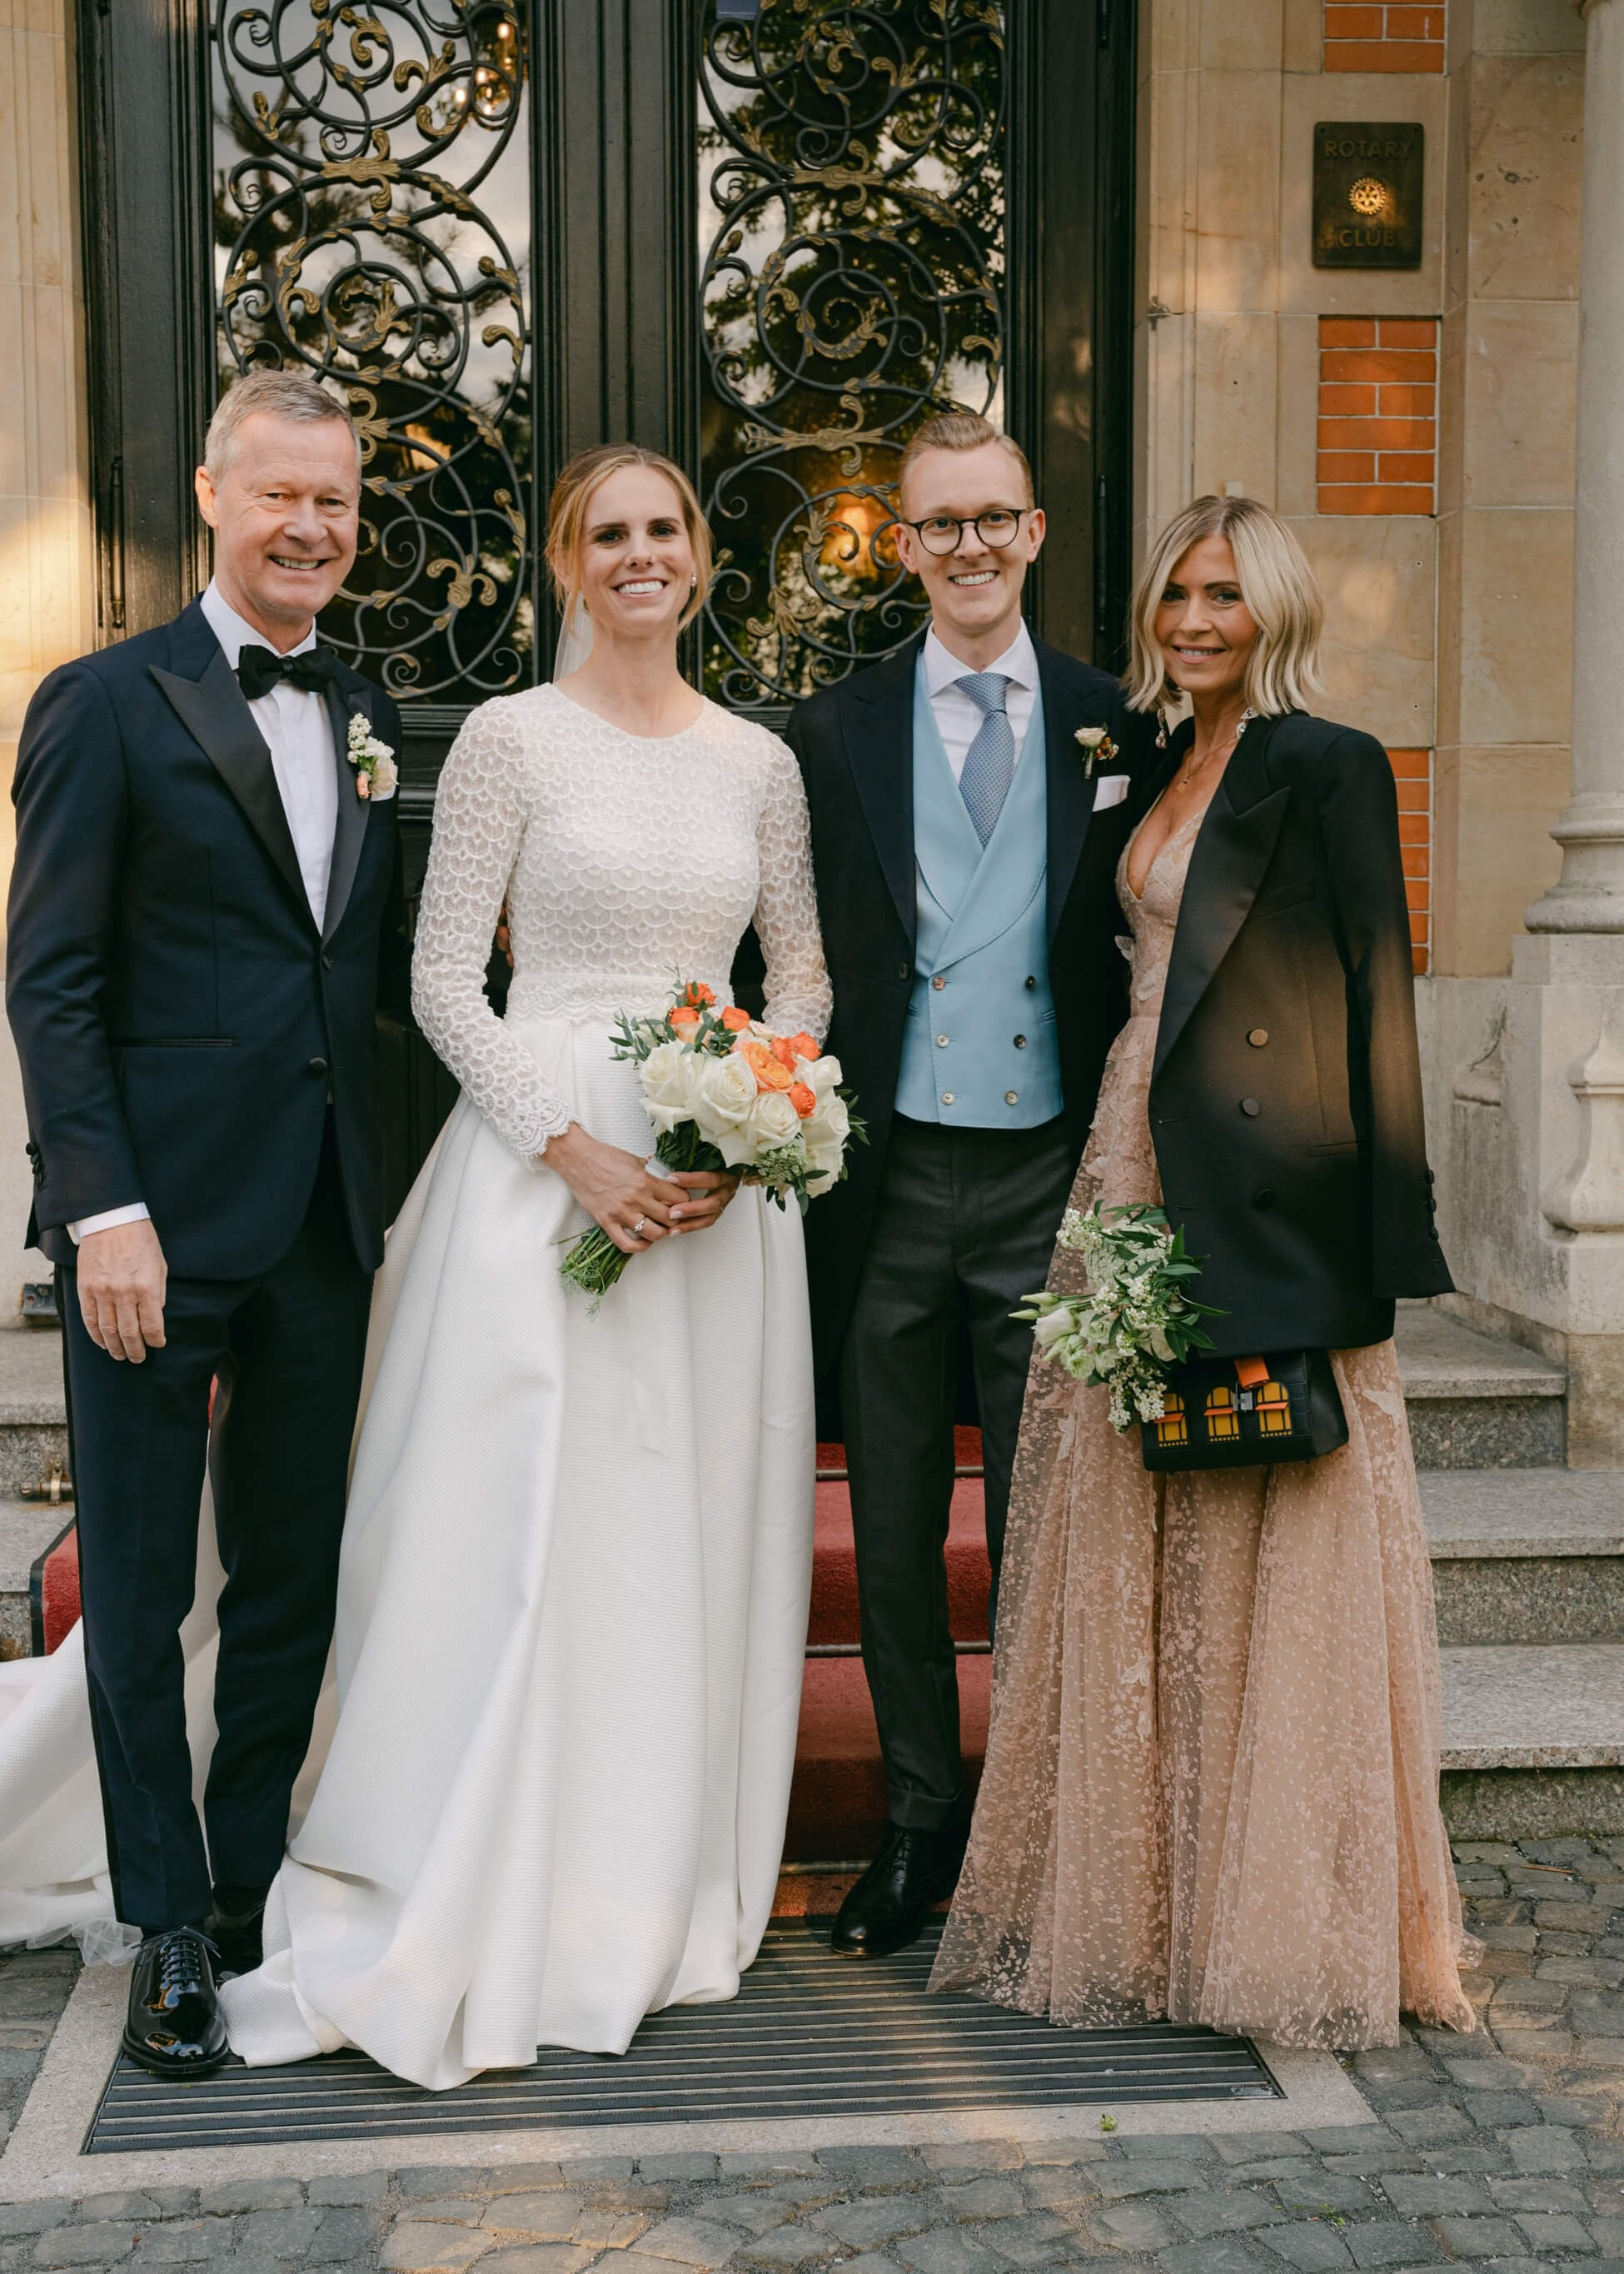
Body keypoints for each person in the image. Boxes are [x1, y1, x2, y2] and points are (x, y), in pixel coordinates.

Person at [206, 441, 829, 2088]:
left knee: (676, 1532)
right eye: (608, 534)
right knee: (519, 1526)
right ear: (568, 563)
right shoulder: (505, 741)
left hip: (713, 1211)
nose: (639, 555)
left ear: (703, 561)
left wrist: (740, 1127)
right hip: (538, 1172)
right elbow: (437, 980)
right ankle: (473, 1865)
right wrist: (574, 1144)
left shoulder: (761, 761)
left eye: (665, 530)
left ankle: (655, 1874)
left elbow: (807, 977)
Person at [931, 494, 1479, 2050]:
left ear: (1276, 608)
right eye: (1175, 591)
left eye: (1224, 594)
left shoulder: (1329, 764)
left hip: (1270, 1189)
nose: (1191, 619)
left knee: (1279, 1530)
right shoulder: (1147, 761)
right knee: (1139, 1519)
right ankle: (1151, 1900)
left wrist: (1379, 1245)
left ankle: (1283, 1921)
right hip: (1127, 1159)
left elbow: (1378, 993)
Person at [2, 370, 410, 2076]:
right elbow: (54, 975)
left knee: (291, 1584)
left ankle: (246, 1894)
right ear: (213, 497)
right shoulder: (105, 702)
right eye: (280, 498)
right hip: (148, 1238)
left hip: (321, 1222)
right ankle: (163, 1922)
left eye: (335, 501)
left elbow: (357, 975)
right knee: (146, 1583)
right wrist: (101, 1207)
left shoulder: (368, 697)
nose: (309, 527)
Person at [788, 412, 1157, 1961]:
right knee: (885, 1533)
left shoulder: (1120, 721)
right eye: (935, 525)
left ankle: (1038, 1834)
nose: (966, 548)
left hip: (1047, 1176)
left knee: (1043, 1526)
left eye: (990, 518)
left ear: (1035, 529)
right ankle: (918, 1832)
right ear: (902, 542)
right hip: (882, 1177)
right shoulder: (832, 729)